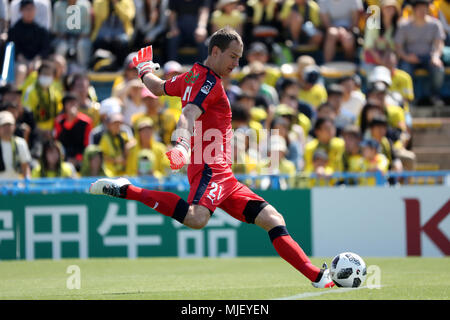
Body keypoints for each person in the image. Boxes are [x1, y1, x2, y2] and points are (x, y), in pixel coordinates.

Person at [89, 27, 335, 288]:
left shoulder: (190, 76)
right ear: (215, 51)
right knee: (196, 218)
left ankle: (318, 277)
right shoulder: (208, 82)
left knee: (272, 219)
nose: (236, 63)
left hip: (224, 174)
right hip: (210, 168)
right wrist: (182, 145)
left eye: (239, 58)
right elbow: (189, 114)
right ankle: (128, 190)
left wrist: (144, 70)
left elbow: (159, 87)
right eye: (232, 56)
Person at [395, 0, 446, 106]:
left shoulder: (435, 24)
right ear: (413, 10)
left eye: (424, 8)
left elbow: (439, 44)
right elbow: (398, 47)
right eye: (419, 9)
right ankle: (408, 100)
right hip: (409, 57)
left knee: (438, 69)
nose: (422, 11)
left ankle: (434, 96)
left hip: (429, 57)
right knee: (405, 71)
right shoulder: (404, 25)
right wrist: (407, 57)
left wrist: (436, 56)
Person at [0, 110, 31, 179]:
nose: (7, 128)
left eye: (9, 125)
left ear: (14, 126)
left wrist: (25, 184)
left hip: (16, 187)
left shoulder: (20, 143)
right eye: (4, 125)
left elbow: (25, 167)